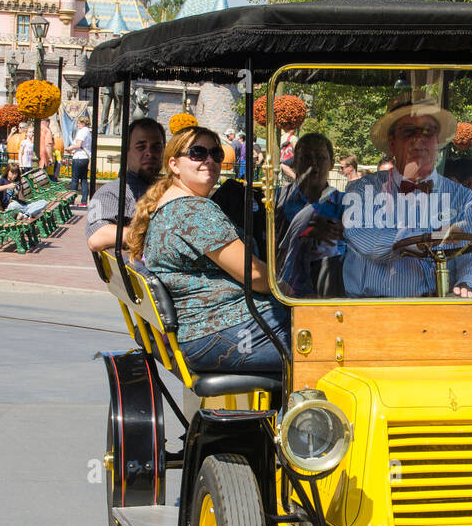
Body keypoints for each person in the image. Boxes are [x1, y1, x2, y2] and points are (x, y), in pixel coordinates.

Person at [127, 127, 290, 376]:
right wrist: (290, 290)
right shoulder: (193, 211)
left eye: (216, 154)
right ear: (174, 164)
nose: (209, 160)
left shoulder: (168, 205)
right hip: (218, 332)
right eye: (197, 153)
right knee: (330, 342)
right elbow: (255, 275)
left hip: (203, 332)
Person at [341, 96, 472, 298]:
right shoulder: (362, 191)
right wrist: (425, 241)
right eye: (408, 131)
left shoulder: (462, 198)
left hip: (436, 311)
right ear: (392, 143)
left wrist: (468, 283)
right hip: (370, 309)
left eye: (428, 132)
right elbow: (369, 243)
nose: (418, 138)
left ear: (437, 142)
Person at [275, 133, 344, 296]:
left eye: (320, 158)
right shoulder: (277, 200)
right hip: (283, 292)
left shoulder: (346, 204)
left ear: (332, 164)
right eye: (306, 157)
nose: (313, 163)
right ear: (295, 163)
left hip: (329, 293)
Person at [86, 117, 166, 253]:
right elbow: (97, 237)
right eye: (141, 147)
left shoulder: (171, 189)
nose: (149, 153)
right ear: (126, 153)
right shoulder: (113, 192)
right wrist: (157, 236)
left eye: (156, 148)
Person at [65, 113, 92, 206]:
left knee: (75, 180)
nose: (77, 125)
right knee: (84, 180)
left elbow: (78, 145)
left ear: (83, 123)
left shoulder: (82, 131)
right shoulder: (88, 132)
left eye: (79, 123)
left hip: (79, 158)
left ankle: (71, 200)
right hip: (85, 158)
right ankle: (84, 201)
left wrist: (69, 149)